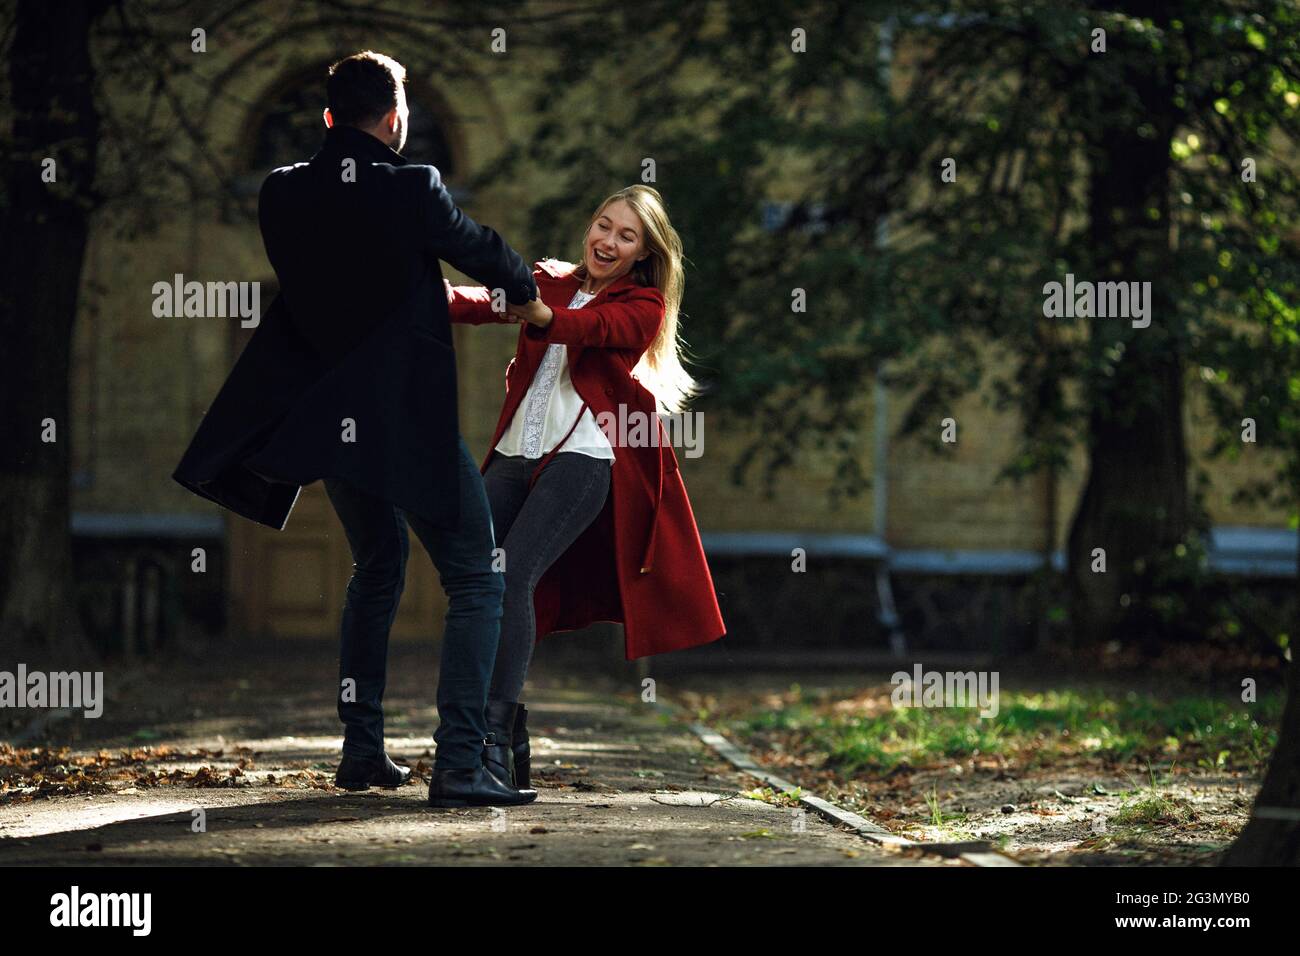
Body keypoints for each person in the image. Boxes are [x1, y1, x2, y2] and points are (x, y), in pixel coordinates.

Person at [174, 51, 536, 808]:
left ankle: (362, 749)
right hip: (406, 423)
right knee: (477, 575)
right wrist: (528, 293)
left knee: (377, 568)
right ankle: (462, 763)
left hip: (332, 425)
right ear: (396, 118)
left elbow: (334, 276)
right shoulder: (413, 187)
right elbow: (484, 253)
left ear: (330, 118)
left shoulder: (281, 193)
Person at [445, 185, 726, 790]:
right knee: (473, 574)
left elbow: (589, 327)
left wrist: (541, 314)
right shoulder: (545, 280)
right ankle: (496, 733)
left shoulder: (644, 305)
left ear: (643, 255)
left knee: (512, 574)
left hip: (583, 458)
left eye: (627, 237)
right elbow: (482, 301)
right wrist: (428, 295)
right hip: (518, 451)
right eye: (604, 225)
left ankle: (492, 741)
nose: (609, 241)